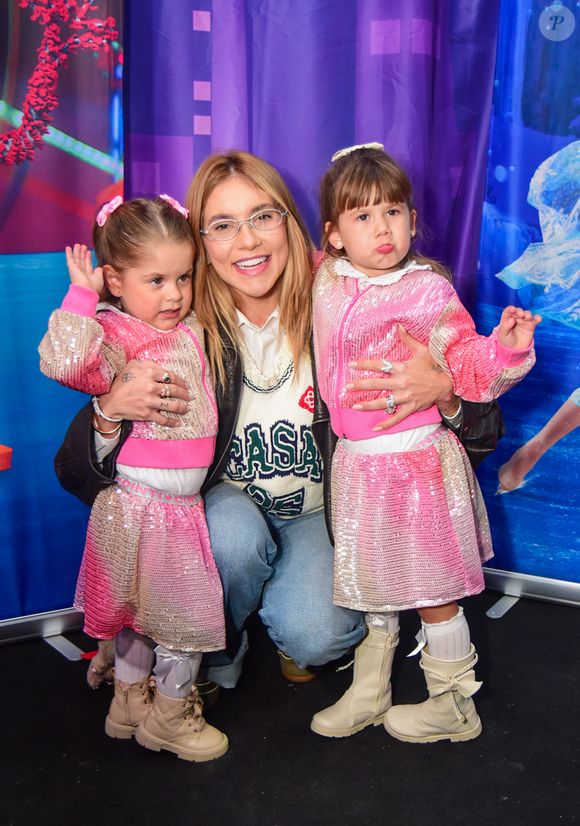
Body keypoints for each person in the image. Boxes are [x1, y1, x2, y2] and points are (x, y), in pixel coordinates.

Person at [54, 151, 504, 702]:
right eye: (223, 225)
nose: (247, 241)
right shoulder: (178, 321)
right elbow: (77, 469)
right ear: (200, 242)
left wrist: (444, 393)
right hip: (225, 510)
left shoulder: (349, 299)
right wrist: (110, 410)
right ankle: (212, 647)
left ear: (293, 223)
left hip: (323, 512)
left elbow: (482, 428)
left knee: (320, 634)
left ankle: (284, 625)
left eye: (263, 216)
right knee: (233, 541)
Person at [310, 144, 540, 743]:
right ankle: (372, 688)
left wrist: (505, 349)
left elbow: (466, 366)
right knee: (373, 583)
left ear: (413, 219)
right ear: (334, 235)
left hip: (416, 468)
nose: (382, 228)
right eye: (362, 216)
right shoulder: (326, 279)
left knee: (434, 593)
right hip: (358, 466)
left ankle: (452, 704)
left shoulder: (427, 292)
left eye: (394, 211)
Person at [39, 195, 228, 762]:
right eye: (156, 280)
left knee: (145, 611)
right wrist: (81, 295)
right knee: (173, 617)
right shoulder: (113, 330)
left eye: (183, 277)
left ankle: (132, 703)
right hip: (137, 502)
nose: (174, 294)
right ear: (116, 282)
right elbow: (65, 363)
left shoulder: (193, 327)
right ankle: (165, 715)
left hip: (177, 505)